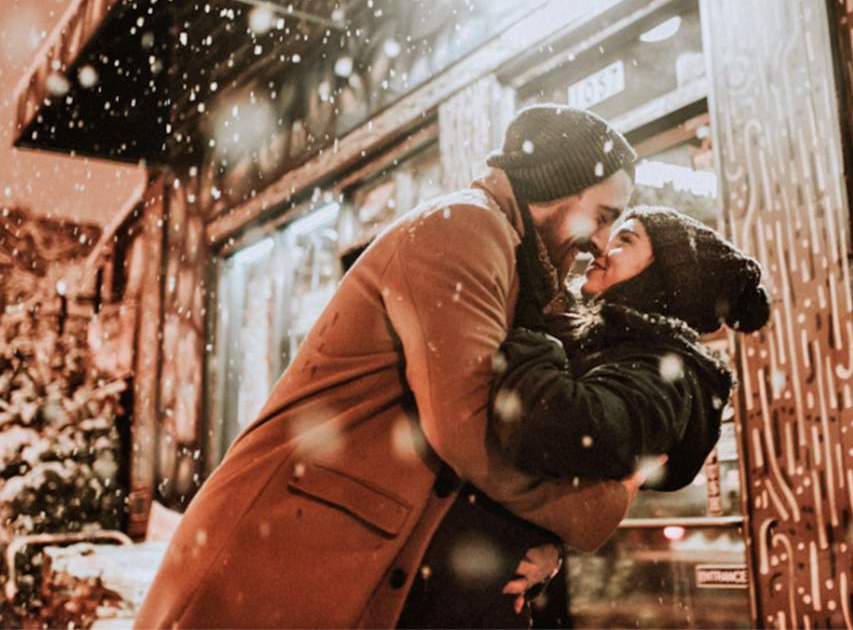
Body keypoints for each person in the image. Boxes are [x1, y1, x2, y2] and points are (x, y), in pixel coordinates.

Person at [134, 104, 641, 629]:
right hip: (282, 555)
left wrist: (540, 540)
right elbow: (467, 428)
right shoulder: (466, 229)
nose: (602, 242)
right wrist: (591, 507)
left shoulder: (516, 261)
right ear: (556, 188)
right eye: (603, 217)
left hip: (324, 559)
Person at [395, 206, 771, 628]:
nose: (602, 249)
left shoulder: (663, 374)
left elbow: (552, 427)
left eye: (625, 240)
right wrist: (551, 540)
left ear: (663, 278)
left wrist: (530, 321)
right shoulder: (616, 353)